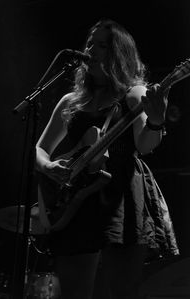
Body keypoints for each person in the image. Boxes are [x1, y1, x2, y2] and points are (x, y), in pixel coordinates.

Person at [35, 19, 179, 299]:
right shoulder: (70, 101)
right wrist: (49, 166)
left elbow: (145, 146)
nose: (92, 49)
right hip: (76, 200)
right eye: (90, 42)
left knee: (120, 291)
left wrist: (157, 121)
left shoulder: (134, 94)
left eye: (102, 45)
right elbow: (39, 149)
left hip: (120, 195)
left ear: (119, 54)